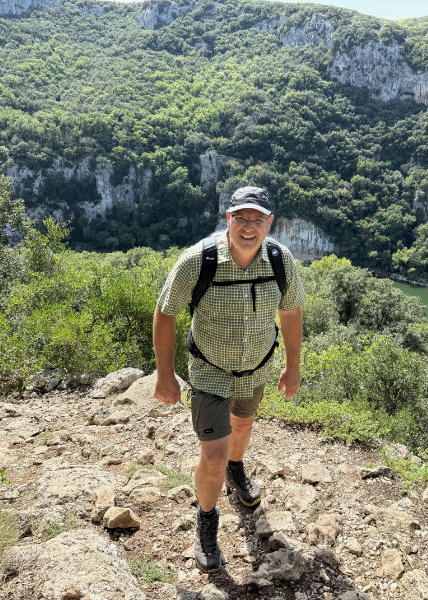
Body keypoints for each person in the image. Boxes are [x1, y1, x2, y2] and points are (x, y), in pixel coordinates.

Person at [153, 186, 306, 574]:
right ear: (228, 219)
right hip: (210, 371)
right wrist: (166, 374)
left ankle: (237, 468)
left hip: (256, 368)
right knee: (214, 453)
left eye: (258, 219)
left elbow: (290, 313)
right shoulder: (197, 260)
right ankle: (207, 521)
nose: (249, 227)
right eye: (241, 218)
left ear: (270, 223)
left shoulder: (279, 260)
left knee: (242, 427)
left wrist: (293, 366)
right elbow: (165, 312)